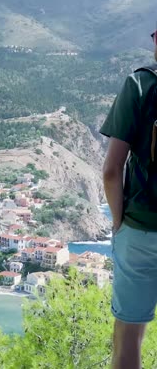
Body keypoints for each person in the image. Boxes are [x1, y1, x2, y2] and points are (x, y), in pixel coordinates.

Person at [100, 39, 157, 369]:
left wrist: (119, 221)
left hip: (139, 228)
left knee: (128, 336)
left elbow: (111, 171)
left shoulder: (140, 83)